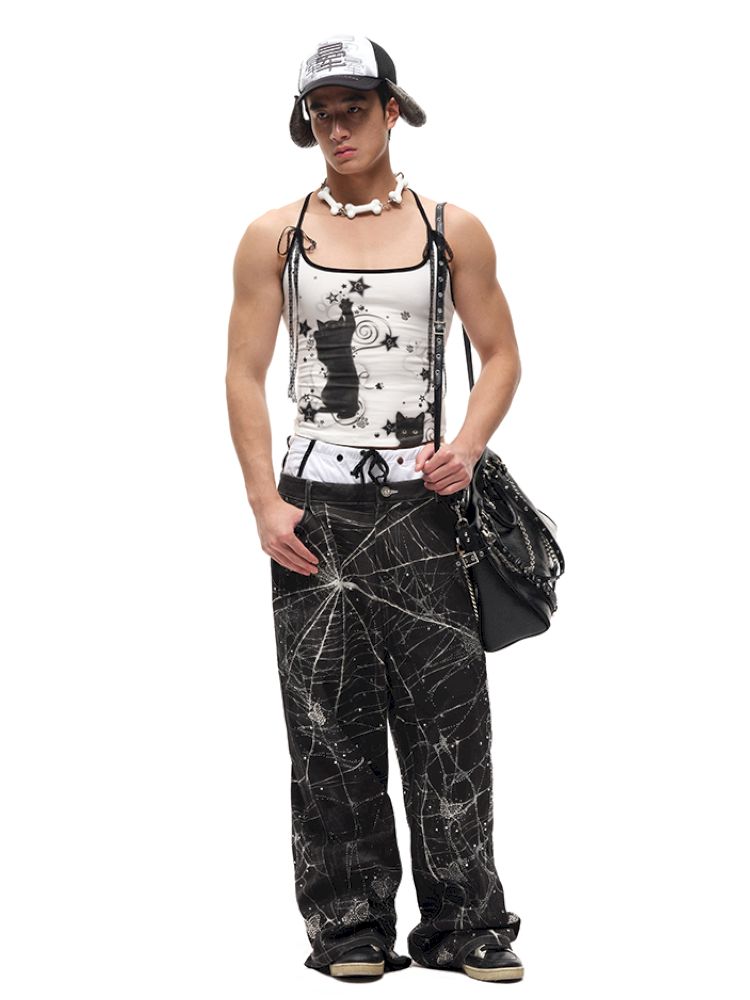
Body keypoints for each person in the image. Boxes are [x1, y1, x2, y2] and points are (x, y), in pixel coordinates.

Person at [226, 34, 524, 982]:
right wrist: (264, 501)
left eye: (354, 108)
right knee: (326, 724)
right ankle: (348, 929)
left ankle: (467, 925)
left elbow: (502, 354)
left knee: (450, 721)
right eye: (321, 113)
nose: (337, 127)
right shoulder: (276, 236)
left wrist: (467, 445)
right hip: (314, 509)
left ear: (393, 111)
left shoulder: (450, 230)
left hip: (422, 506)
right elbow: (242, 371)